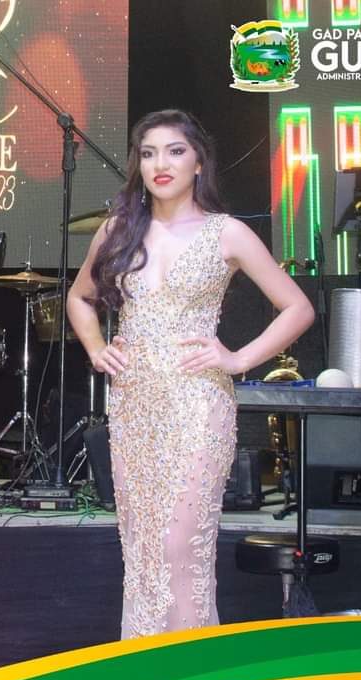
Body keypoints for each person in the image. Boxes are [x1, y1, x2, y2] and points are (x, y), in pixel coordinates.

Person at [67, 109, 314, 639]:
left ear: (199, 162)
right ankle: (148, 666)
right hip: (134, 406)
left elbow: (297, 308)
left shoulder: (227, 233)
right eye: (149, 153)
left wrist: (239, 359)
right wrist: (97, 348)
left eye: (175, 151)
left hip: (198, 404)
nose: (161, 163)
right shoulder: (118, 231)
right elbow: (79, 298)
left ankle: (189, 665)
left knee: (180, 546)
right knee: (142, 548)